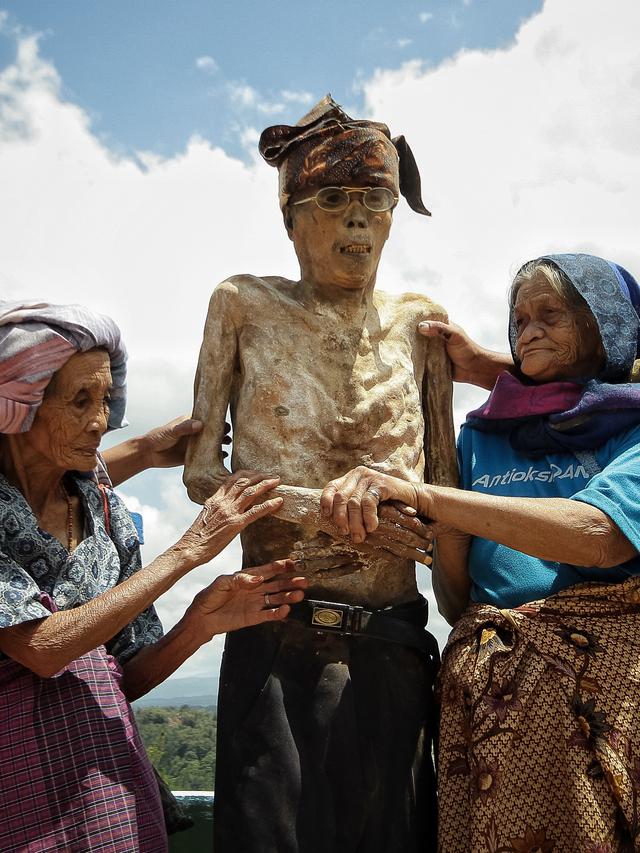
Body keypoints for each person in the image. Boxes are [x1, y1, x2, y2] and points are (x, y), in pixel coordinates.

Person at [183, 96, 458, 853]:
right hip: (276, 635)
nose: (358, 218)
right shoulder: (243, 305)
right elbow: (203, 474)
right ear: (292, 217)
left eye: (376, 198)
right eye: (332, 198)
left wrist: (422, 533)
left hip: (394, 641)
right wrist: (321, 507)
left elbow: (447, 491)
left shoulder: (421, 323)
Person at [320, 253, 640, 851]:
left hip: (604, 693)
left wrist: (426, 496)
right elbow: (455, 598)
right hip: (489, 703)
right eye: (518, 320)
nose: (529, 332)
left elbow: (598, 536)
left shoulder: (633, 430)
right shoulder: (479, 436)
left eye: (550, 315)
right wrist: (438, 526)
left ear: (603, 326)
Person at [0, 300, 307, 853]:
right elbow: (43, 649)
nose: (101, 420)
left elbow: (124, 678)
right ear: (20, 405)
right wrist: (188, 551)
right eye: (80, 401)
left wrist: (198, 625)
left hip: (104, 797)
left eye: (105, 399)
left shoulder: (104, 512)